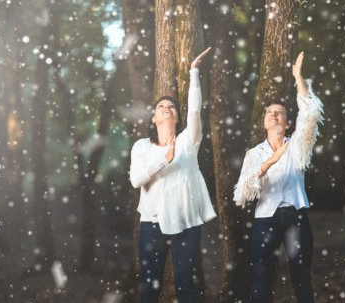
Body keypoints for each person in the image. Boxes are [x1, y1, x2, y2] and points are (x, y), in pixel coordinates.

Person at [233, 52, 324, 303]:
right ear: (263, 122)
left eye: (280, 112)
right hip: (265, 220)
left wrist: (298, 78)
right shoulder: (254, 153)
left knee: (302, 278)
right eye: (270, 112)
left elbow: (310, 116)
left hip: (296, 217)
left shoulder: (297, 145)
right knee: (260, 280)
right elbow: (241, 194)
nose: (274, 114)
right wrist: (266, 165)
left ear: (287, 122)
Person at [129, 47, 215, 303]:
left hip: (186, 223)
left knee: (186, 285)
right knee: (149, 287)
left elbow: (196, 111)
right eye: (161, 106)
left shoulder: (189, 140)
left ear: (177, 117)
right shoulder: (142, 146)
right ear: (154, 118)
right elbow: (136, 180)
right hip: (152, 224)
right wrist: (163, 161)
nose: (167, 108)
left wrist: (194, 72)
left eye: (172, 107)